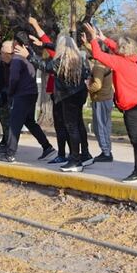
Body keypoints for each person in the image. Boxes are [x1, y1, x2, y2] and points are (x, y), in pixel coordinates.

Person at [85, 23, 137, 183]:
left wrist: (93, 39)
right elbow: (116, 47)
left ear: (121, 50)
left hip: (132, 107)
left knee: (136, 139)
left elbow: (97, 54)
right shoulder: (134, 58)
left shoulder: (119, 62)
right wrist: (103, 38)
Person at [31, 32, 91, 172]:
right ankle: (82, 155)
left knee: (71, 128)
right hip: (79, 93)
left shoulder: (61, 61)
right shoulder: (79, 57)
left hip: (67, 97)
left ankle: (75, 160)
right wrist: (45, 44)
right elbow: (86, 73)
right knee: (77, 125)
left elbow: (44, 66)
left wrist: (29, 55)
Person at [0, 34, 54, 163]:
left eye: (2, 52)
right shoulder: (27, 55)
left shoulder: (17, 60)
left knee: (14, 124)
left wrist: (10, 93)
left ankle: (10, 154)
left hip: (22, 95)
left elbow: (14, 79)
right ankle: (47, 147)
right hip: (31, 93)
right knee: (29, 122)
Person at [28, 18, 70, 165]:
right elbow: (47, 41)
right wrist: (42, 42)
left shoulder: (60, 57)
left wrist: (35, 25)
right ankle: (73, 154)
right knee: (66, 125)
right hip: (60, 93)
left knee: (61, 125)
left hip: (59, 94)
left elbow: (46, 39)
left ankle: (64, 154)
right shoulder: (68, 55)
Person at [86, 46, 115, 162]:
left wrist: (88, 88)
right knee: (106, 126)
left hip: (100, 99)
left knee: (100, 127)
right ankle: (107, 150)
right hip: (107, 98)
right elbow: (94, 51)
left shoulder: (98, 67)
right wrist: (87, 44)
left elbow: (97, 85)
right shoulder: (107, 62)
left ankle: (106, 152)